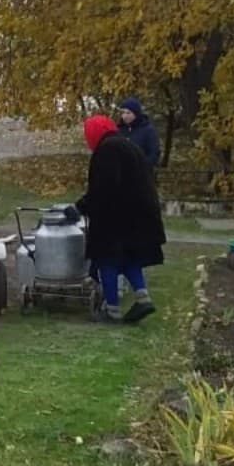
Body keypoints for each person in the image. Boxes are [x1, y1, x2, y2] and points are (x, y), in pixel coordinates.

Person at [68, 115, 166, 325]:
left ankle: (111, 309)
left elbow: (104, 187)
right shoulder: (126, 145)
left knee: (107, 258)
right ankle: (142, 298)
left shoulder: (107, 150)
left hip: (117, 215)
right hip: (139, 212)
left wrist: (81, 207)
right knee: (129, 257)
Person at [117, 97, 161, 171]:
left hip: (142, 174)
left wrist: (142, 167)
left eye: (128, 113)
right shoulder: (118, 130)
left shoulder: (148, 130)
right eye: (123, 112)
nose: (125, 116)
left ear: (136, 113)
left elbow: (154, 153)